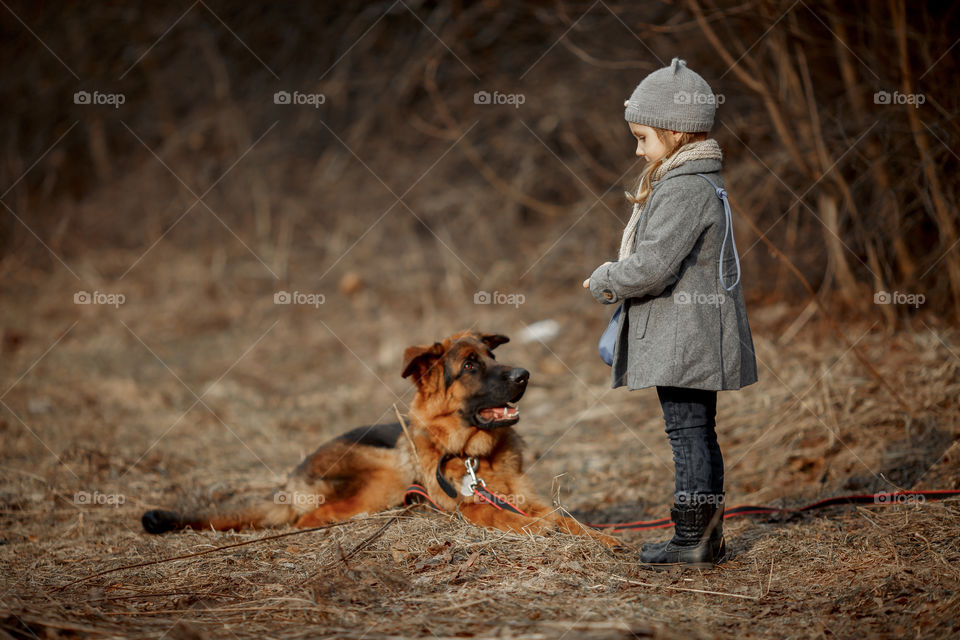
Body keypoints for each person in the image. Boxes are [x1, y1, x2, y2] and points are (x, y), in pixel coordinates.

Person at [583, 57, 758, 567]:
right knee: (695, 430)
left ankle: (693, 540)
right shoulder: (694, 179)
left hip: (687, 338)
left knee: (687, 434)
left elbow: (651, 268)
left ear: (676, 133)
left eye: (642, 137)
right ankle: (703, 537)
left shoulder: (683, 187)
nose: (636, 149)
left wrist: (604, 280)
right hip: (691, 333)